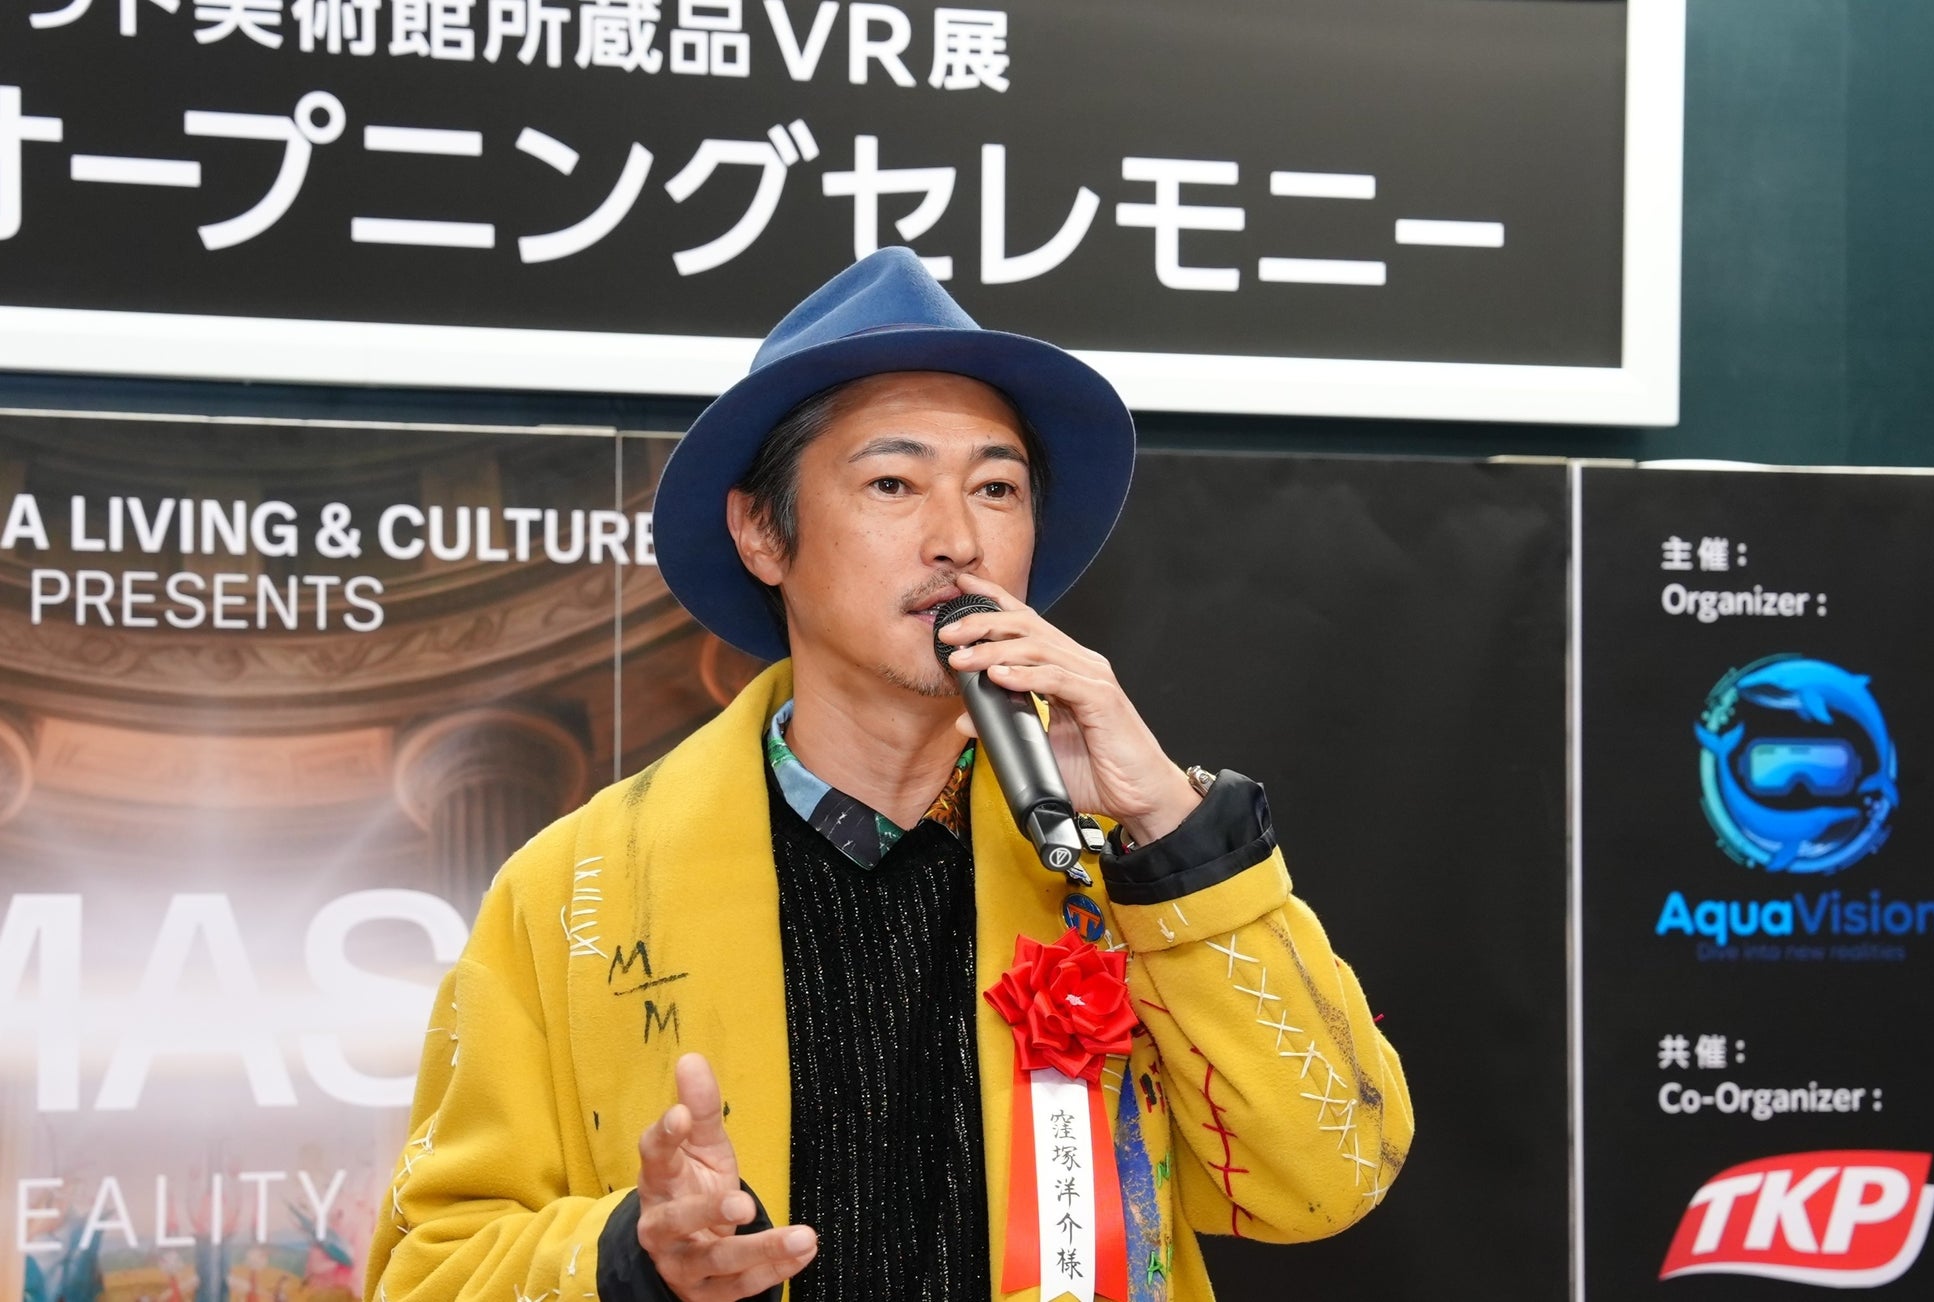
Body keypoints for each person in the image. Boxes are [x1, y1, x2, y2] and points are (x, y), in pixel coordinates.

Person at [364, 248, 1412, 1302]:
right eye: (893, 484)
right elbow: (427, 1265)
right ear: (763, 533)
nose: (958, 540)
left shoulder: (1124, 854)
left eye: (996, 488)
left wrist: (1171, 829)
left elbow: (1330, 1178)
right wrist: (633, 1256)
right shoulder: (572, 889)